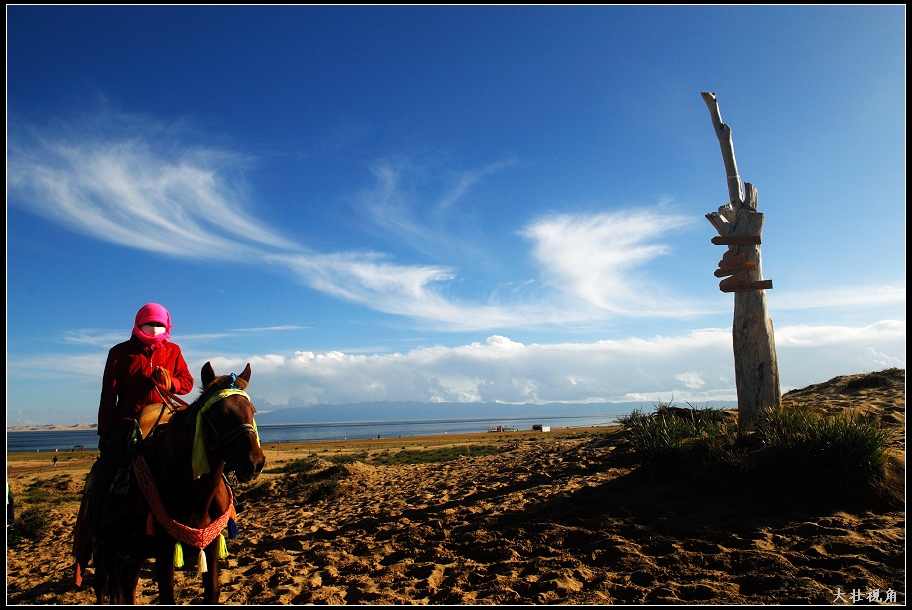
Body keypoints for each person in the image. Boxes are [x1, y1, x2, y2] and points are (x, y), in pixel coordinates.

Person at [88, 303, 194, 536]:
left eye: (159, 325)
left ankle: (220, 514)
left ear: (167, 326)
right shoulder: (119, 352)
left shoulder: (173, 350)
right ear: (138, 324)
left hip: (165, 418)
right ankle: (96, 530)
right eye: (149, 324)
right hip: (128, 421)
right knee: (105, 473)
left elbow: (187, 382)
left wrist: (171, 384)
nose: (154, 328)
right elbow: (109, 395)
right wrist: (105, 433)